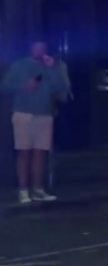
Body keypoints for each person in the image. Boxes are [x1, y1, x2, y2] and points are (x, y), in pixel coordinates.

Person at [1, 41, 71, 203]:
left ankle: (38, 189)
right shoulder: (19, 65)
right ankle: (23, 190)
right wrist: (24, 86)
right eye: (37, 47)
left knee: (40, 153)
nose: (40, 51)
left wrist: (52, 68)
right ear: (30, 48)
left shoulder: (51, 66)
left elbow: (59, 87)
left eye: (43, 48)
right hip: (24, 114)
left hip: (44, 114)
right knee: (24, 153)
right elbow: (5, 85)